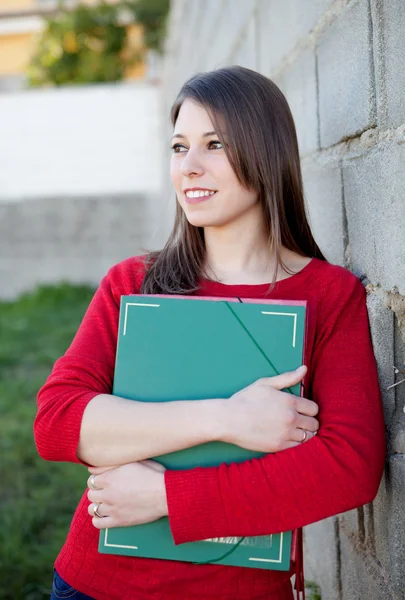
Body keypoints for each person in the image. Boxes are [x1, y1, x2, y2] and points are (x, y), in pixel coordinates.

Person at [35, 65, 386, 600]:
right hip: (97, 583)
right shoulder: (134, 283)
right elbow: (57, 421)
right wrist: (227, 418)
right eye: (179, 148)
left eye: (214, 144)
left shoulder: (328, 296)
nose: (189, 168)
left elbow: (349, 466)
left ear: (264, 153)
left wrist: (168, 496)